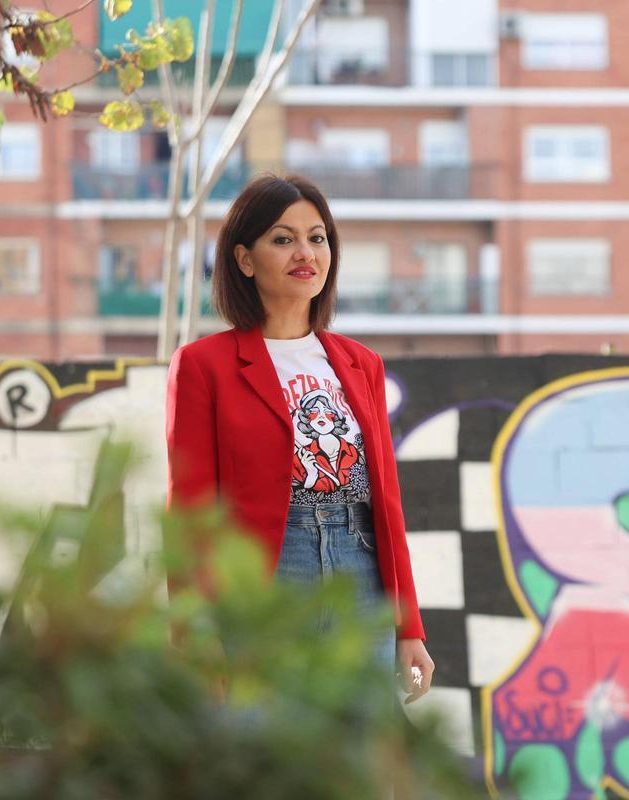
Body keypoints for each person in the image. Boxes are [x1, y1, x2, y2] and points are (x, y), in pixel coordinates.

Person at [164, 173, 434, 704]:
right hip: (265, 578)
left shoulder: (362, 365)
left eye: (318, 237)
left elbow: (387, 506)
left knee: (363, 762)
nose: (304, 252)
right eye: (283, 239)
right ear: (244, 259)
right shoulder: (203, 366)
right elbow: (189, 513)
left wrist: (408, 626)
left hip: (360, 575)